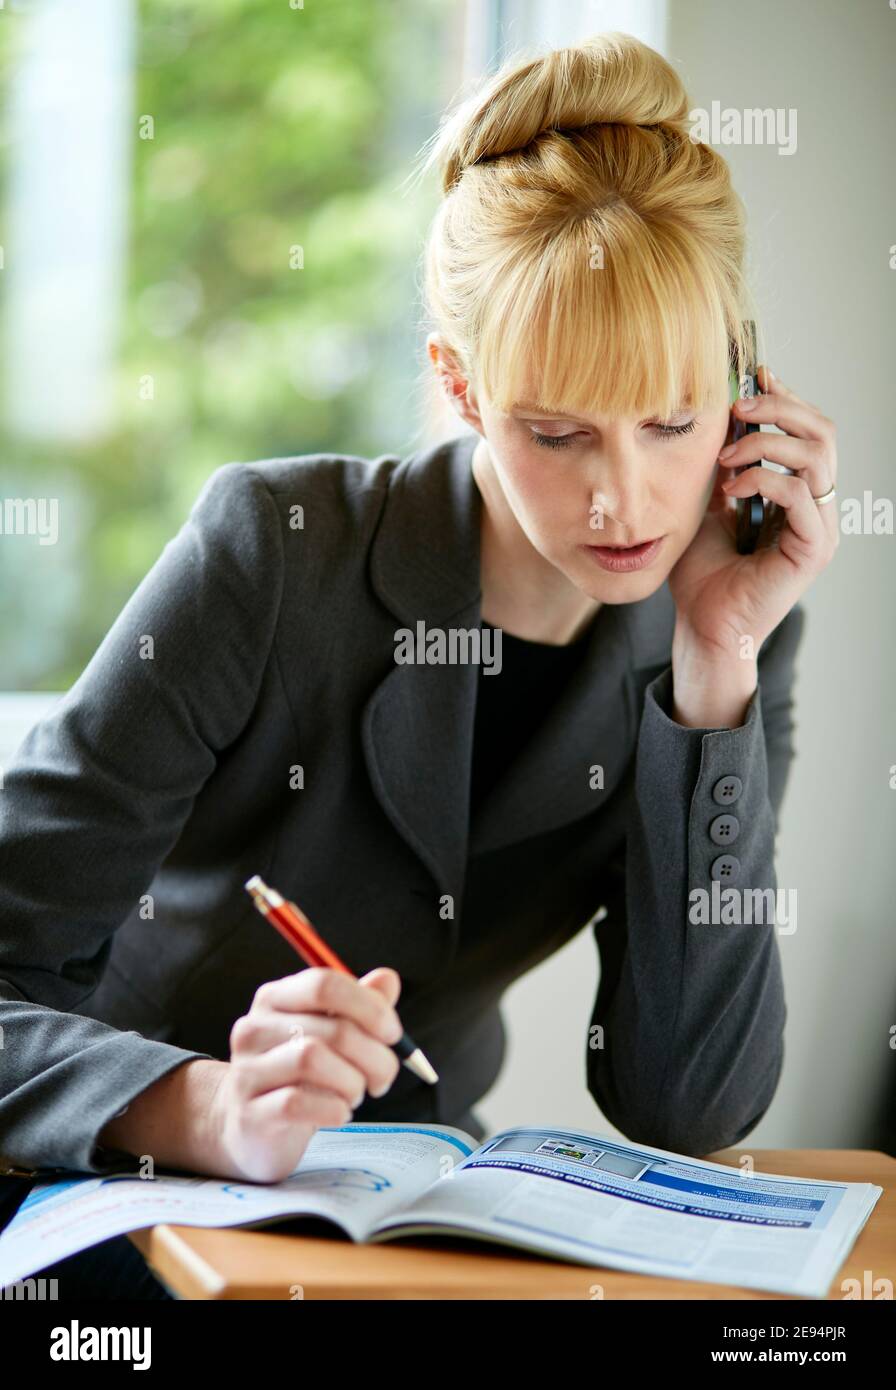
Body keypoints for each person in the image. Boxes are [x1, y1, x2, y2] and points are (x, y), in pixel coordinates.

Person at [0, 32, 838, 1297]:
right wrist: (208, 1104)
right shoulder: (273, 552)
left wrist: (714, 664)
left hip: (404, 1220)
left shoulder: (727, 623)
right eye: (554, 432)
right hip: (120, 1195)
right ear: (457, 383)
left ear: (742, 392)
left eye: (671, 422)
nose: (624, 498)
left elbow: (685, 1102)